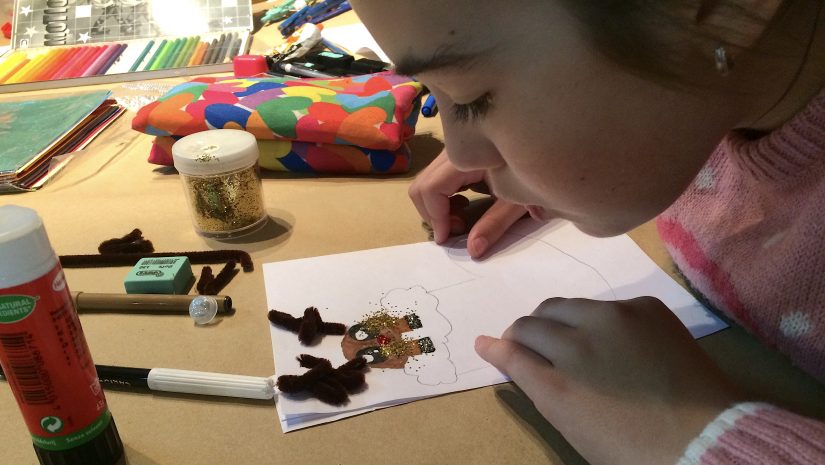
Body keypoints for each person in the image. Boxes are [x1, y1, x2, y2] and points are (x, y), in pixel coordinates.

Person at [350, 1, 825, 464]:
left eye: (473, 99)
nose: (462, 154)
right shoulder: (692, 113)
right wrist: (573, 168)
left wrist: (695, 438)